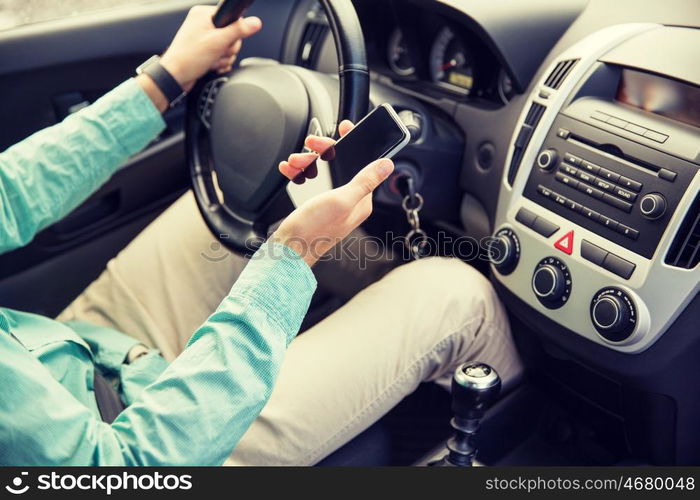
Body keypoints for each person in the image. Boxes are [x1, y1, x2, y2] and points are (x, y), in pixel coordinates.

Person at [0, 6, 521, 466]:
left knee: (228, 207)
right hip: (146, 443)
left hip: (68, 352)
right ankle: (531, 438)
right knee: (457, 296)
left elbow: (9, 193)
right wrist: (290, 256)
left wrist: (166, 78)